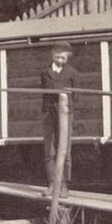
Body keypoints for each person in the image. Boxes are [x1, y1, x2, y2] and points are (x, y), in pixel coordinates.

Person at [40, 41, 78, 198]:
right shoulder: (45, 72)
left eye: (64, 58)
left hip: (65, 114)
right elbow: (43, 91)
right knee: (49, 149)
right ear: (52, 55)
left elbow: (76, 95)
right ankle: (51, 183)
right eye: (59, 57)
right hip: (49, 114)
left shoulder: (72, 73)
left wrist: (67, 109)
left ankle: (64, 185)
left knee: (64, 149)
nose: (61, 61)